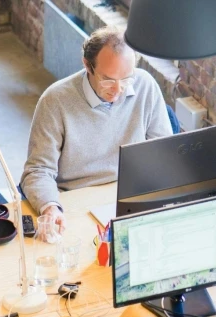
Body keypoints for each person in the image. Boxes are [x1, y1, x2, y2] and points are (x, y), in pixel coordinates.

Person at [20, 26, 172, 238]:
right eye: (108, 79)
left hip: (128, 198)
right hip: (74, 202)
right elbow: (37, 170)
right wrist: (50, 207)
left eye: (126, 79)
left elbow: (163, 153)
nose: (118, 90)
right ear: (87, 65)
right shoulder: (55, 101)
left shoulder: (145, 85)